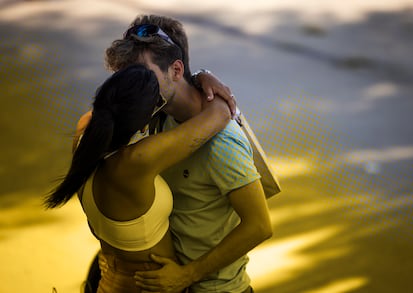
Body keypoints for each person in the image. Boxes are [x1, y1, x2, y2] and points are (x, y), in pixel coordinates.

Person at [103, 15, 274, 293]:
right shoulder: (159, 116)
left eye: (142, 77)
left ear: (177, 69)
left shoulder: (222, 144)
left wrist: (187, 275)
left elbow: (260, 226)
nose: (131, 90)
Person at [44, 64, 232, 293]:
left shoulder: (84, 133)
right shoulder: (137, 160)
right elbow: (220, 114)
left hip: (109, 280)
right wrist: (206, 76)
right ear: (145, 122)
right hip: (149, 286)